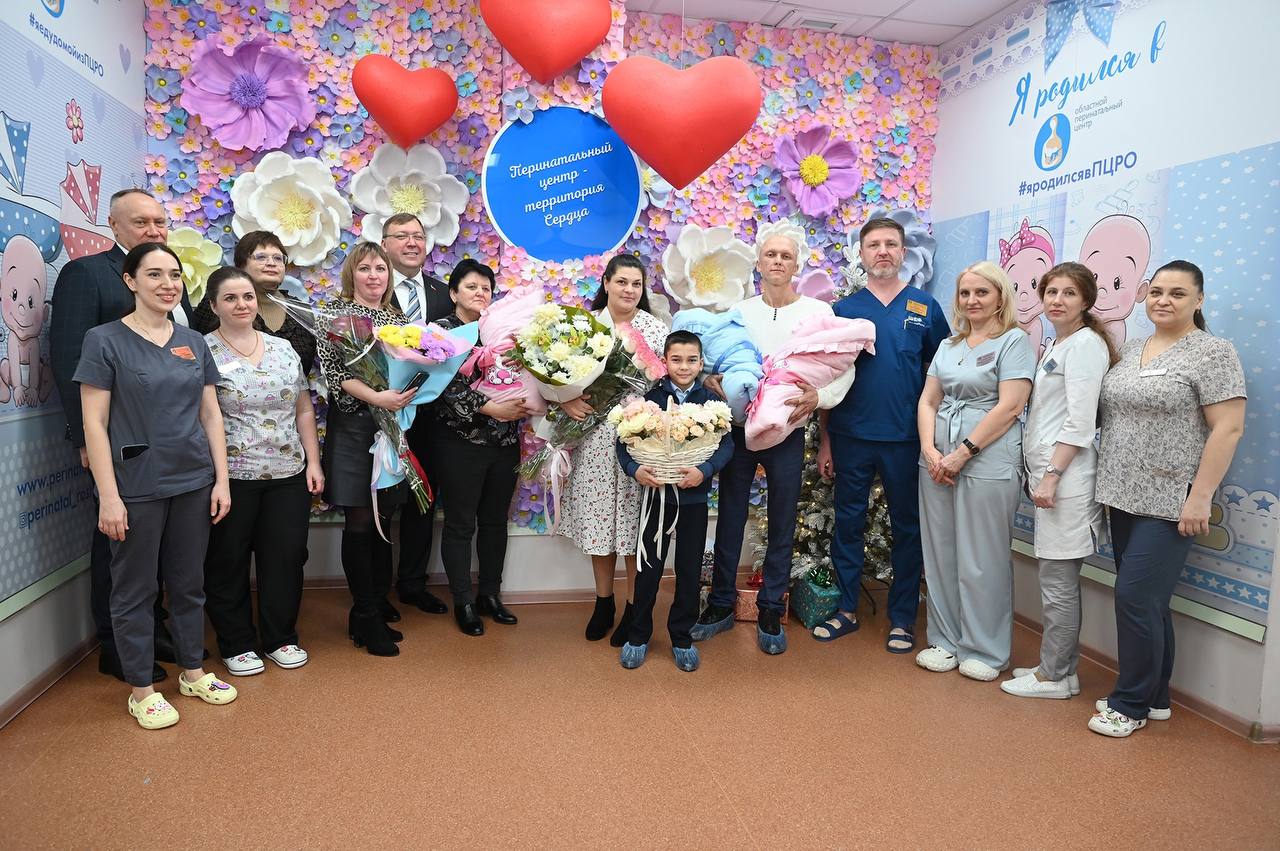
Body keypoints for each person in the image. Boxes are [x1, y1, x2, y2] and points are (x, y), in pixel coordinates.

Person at [74, 242, 236, 729]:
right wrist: (108, 496)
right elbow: (94, 424)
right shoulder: (104, 340)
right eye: (155, 274)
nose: (168, 284)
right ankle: (142, 689)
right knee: (135, 589)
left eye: (175, 275)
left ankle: (192, 671)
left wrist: (221, 480)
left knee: (189, 583)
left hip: (193, 479)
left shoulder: (192, 341)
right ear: (130, 281)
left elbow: (211, 414)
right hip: (136, 484)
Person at [1089, 260, 1245, 737]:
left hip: (1172, 498)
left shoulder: (1213, 352)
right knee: (1150, 602)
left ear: (1199, 300)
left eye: (1177, 293)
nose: (1164, 300)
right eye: (1156, 291)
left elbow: (1228, 428)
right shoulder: (1132, 348)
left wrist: (1200, 498)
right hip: (1121, 493)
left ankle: (1129, 705)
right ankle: (1156, 696)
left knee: (1134, 597)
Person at [50, 188, 194, 684]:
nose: (154, 231)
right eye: (141, 222)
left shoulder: (171, 281)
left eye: (160, 222)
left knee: (160, 547)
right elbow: (69, 361)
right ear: (113, 226)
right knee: (118, 541)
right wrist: (85, 442)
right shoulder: (87, 274)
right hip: (118, 444)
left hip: (173, 446)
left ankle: (153, 631)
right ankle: (115, 643)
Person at [694, 220, 854, 655]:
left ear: (797, 265)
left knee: (783, 519)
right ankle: (720, 603)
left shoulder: (818, 314)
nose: (778, 261)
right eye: (771, 254)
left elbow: (844, 366)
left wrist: (820, 396)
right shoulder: (739, 311)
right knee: (730, 516)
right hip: (739, 430)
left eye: (786, 255)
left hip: (789, 431)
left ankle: (770, 606)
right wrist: (709, 379)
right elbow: (710, 357)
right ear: (758, 263)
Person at [816, 217, 950, 653]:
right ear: (861, 254)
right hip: (851, 435)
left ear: (903, 251)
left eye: (891, 244)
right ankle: (846, 610)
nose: (883, 252)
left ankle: (902, 619)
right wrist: (826, 441)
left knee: (906, 528)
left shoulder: (925, 308)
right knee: (848, 524)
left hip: (906, 439)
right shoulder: (843, 311)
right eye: (874, 245)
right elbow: (829, 379)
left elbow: (942, 373)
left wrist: (933, 439)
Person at [1002, 262, 1118, 700]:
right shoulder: (1060, 343)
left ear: (1086, 300)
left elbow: (1081, 421)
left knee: (1058, 583)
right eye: (1051, 292)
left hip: (1067, 480)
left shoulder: (1085, 345)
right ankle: (1061, 670)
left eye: (1069, 293)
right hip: (1052, 476)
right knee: (1055, 581)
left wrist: (1051, 476)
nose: (1057, 300)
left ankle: (1053, 677)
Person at [202, 267, 325, 676]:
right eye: (231, 298)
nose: (242, 305)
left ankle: (280, 638)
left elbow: (303, 408)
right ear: (214, 305)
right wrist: (220, 480)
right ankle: (236, 643)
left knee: (285, 558)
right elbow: (206, 417)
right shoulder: (203, 350)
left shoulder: (283, 348)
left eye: (248, 297)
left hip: (288, 472)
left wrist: (313, 461)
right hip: (232, 476)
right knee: (228, 560)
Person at [915, 261, 1034, 681]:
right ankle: (945, 641)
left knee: (983, 557)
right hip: (936, 462)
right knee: (941, 553)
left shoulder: (1014, 341)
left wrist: (962, 453)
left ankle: (986, 649)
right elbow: (928, 400)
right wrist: (930, 450)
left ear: (1000, 296)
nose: (972, 300)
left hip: (987, 460)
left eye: (982, 292)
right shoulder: (949, 345)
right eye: (965, 293)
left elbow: (1011, 406)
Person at [556, 255, 669, 645]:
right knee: (600, 521)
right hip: (592, 439)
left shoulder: (655, 330)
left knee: (634, 528)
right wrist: (565, 400)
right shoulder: (583, 327)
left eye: (636, 284)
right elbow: (558, 377)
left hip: (638, 439)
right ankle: (603, 602)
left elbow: (666, 386)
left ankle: (635, 608)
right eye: (622, 282)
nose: (629, 290)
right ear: (605, 283)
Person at [315, 242, 416, 657]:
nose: (374, 276)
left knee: (382, 519)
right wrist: (377, 398)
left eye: (380, 269)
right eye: (365, 268)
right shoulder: (334, 316)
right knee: (359, 522)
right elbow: (334, 373)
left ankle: (372, 606)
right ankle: (365, 614)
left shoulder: (398, 319)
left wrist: (408, 392)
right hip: (355, 429)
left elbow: (413, 368)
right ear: (351, 274)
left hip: (390, 428)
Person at [615, 330, 734, 672]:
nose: (684, 366)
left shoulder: (710, 402)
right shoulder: (649, 399)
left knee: (689, 570)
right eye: (676, 360)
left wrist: (704, 470)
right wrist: (635, 470)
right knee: (648, 570)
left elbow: (726, 445)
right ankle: (638, 636)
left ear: (701, 363)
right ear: (665, 362)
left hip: (694, 500)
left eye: (691, 360)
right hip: (657, 499)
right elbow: (623, 443)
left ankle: (681, 637)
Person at [429, 259, 529, 635]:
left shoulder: (500, 330)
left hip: (504, 442)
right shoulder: (442, 331)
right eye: (471, 287)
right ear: (454, 293)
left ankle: (490, 594)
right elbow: (441, 385)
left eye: (486, 288)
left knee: (494, 521)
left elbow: (521, 375)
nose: (480, 293)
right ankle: (463, 601)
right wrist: (492, 408)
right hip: (460, 444)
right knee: (460, 524)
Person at [384, 212, 453, 618]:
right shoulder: (372, 288)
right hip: (381, 411)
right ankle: (376, 592)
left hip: (431, 417)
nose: (412, 242)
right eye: (402, 235)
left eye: (418, 236)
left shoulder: (444, 293)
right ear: (385, 244)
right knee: (380, 501)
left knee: (422, 499)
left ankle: (412, 583)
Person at [190, 230, 317, 374]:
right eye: (261, 257)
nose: (271, 263)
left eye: (278, 258)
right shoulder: (219, 303)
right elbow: (196, 351)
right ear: (241, 265)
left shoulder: (301, 310)